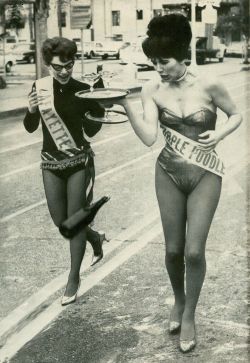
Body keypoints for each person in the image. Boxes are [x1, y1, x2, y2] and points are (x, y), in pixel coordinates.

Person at [99, 14, 242, 353]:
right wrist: (127, 105)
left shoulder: (209, 84)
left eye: (163, 62)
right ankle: (178, 301)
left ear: (182, 56)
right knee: (173, 250)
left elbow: (236, 115)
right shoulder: (152, 88)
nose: (158, 68)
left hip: (205, 171)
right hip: (168, 172)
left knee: (194, 251)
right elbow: (150, 137)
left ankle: (189, 314)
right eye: (154, 62)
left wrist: (219, 133)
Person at [23, 37, 107, 306]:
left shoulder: (83, 89)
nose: (63, 72)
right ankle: (95, 238)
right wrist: (31, 110)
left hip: (78, 161)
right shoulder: (40, 88)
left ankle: (73, 278)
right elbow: (30, 127)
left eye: (68, 66)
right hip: (50, 161)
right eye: (57, 67)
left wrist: (99, 102)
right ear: (48, 65)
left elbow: (93, 129)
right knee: (63, 223)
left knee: (76, 221)